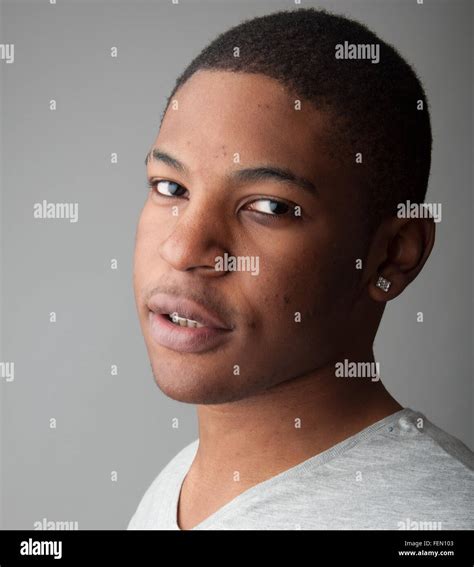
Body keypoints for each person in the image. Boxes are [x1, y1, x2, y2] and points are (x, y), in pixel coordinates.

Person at [128, 8, 473, 530]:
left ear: (392, 254)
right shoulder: (172, 487)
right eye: (171, 188)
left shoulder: (438, 522)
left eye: (270, 207)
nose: (182, 250)